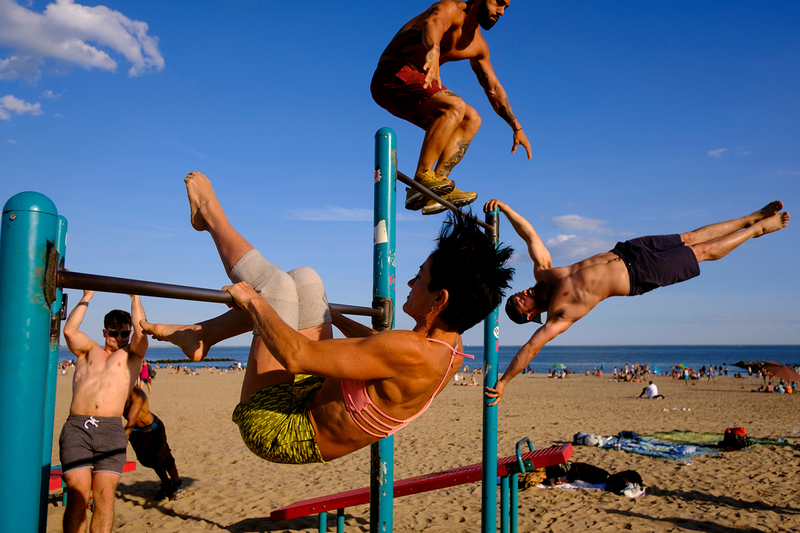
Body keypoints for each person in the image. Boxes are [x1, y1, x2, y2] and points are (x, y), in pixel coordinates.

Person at [141, 172, 513, 464]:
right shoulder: (449, 345)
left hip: (280, 427)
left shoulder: (410, 350)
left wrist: (253, 301)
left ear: (439, 300)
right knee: (306, 280)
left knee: (275, 289)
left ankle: (210, 217)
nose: (412, 282)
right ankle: (201, 336)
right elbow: (378, 350)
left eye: (420, 277)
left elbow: (298, 357)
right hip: (308, 396)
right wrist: (331, 314)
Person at [483, 199, 790, 405]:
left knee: (691, 237)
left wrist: (507, 209)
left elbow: (531, 238)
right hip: (638, 275)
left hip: (629, 250)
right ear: (527, 317)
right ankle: (756, 230)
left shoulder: (544, 274)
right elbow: (530, 349)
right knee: (704, 252)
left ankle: (750, 218)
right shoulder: (559, 316)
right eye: (518, 302)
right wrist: (506, 380)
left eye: (516, 294)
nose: (521, 294)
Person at [371, 0, 532, 216]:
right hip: (392, 73)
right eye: (499, 3)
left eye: (506, 8)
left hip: (418, 84)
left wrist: (516, 127)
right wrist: (433, 49)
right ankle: (423, 176)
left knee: (471, 118)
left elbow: (493, 87)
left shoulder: (478, 45)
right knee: (455, 106)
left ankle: (434, 188)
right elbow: (433, 21)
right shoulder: (451, 8)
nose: (501, 12)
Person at [59, 292, 148, 533]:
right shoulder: (88, 351)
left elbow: (141, 335)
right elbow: (69, 332)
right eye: (113, 332)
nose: (118, 338)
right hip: (78, 427)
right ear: (104, 332)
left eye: (123, 333)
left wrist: (135, 298)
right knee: (78, 493)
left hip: (110, 429)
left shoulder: (131, 356)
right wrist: (87, 296)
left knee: (105, 495)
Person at [123, 385, 187, 501]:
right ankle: (166, 483)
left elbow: (131, 421)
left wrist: (119, 440)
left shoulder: (137, 394)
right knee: (148, 460)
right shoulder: (117, 396)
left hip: (153, 429)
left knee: (164, 458)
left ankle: (178, 484)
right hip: (136, 432)